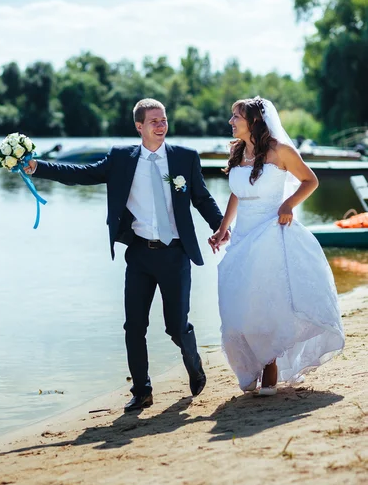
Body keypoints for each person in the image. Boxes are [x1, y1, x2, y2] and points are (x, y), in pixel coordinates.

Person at [24, 98, 228, 412]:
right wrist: (39, 167)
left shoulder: (184, 158)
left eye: (164, 120)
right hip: (139, 256)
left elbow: (201, 197)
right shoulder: (121, 159)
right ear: (139, 127)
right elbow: (82, 174)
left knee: (176, 326)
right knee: (134, 326)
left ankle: (192, 359)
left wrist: (221, 226)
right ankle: (142, 390)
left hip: (175, 255)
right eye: (154, 122)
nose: (161, 126)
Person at [209, 96, 344, 396]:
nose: (231, 121)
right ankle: (250, 363)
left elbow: (310, 180)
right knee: (237, 304)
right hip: (242, 236)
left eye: (236, 116)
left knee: (264, 302)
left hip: (271, 233)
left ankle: (269, 362)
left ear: (254, 121)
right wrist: (222, 229)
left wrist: (288, 204)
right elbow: (237, 193)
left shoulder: (280, 151)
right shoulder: (238, 152)